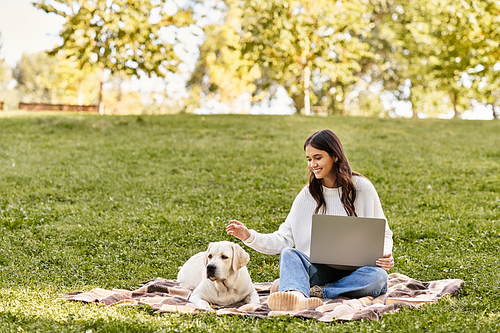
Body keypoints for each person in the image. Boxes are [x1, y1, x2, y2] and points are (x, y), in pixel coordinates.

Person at [226, 129, 394, 311]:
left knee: (379, 278)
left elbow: (383, 233)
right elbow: (283, 239)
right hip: (317, 270)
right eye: (309, 159)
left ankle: (311, 291)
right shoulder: (307, 194)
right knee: (290, 254)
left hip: (356, 272)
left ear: (335, 156)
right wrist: (249, 236)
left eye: (318, 157)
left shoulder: (361, 189)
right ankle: (297, 296)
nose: (312, 164)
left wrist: (384, 254)